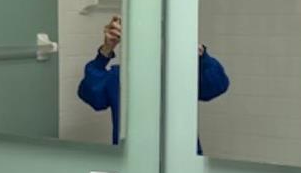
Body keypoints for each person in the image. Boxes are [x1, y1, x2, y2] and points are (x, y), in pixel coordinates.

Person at [77, 15, 229, 148]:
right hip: (132, 163)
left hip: (180, 162)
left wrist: (201, 55)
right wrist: (106, 50)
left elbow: (216, 86)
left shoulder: (177, 75)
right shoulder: (120, 76)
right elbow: (93, 96)